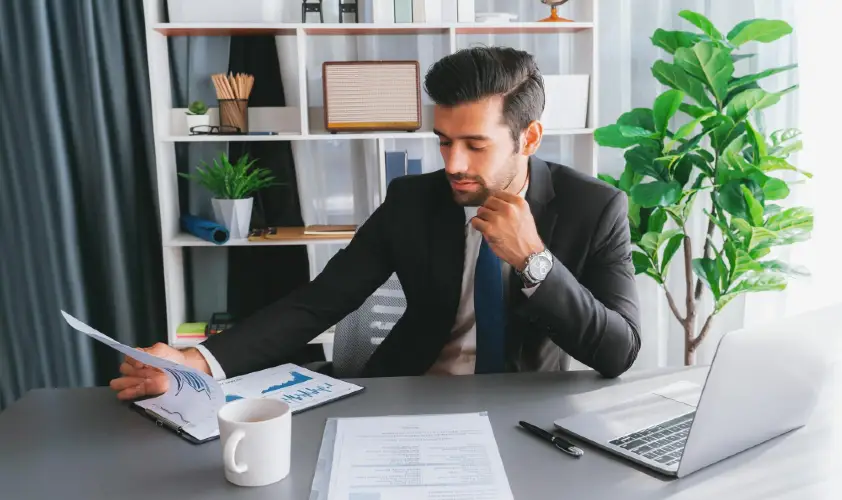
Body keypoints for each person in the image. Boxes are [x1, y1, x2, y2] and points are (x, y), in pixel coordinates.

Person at [110, 47, 641, 401]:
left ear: (528, 138)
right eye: (444, 140)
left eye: (475, 145)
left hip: (529, 410)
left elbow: (619, 350)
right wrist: (196, 361)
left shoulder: (594, 209)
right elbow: (318, 302)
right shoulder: (414, 200)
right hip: (411, 396)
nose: (452, 164)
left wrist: (534, 261)